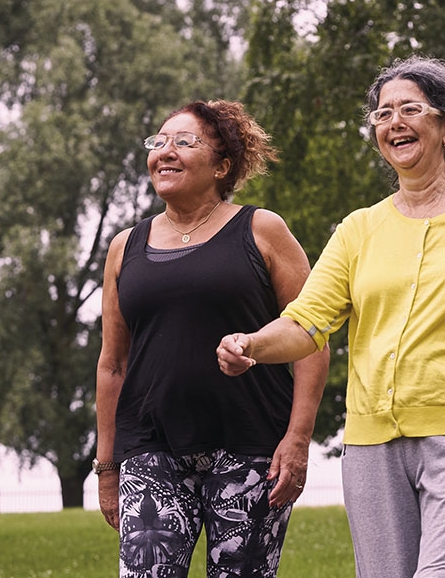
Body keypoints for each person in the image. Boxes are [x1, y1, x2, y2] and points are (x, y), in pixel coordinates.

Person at [215, 56, 445, 578]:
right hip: (372, 446)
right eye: (382, 113)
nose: (394, 121)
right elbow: (306, 323)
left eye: (410, 109)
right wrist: (252, 346)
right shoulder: (358, 229)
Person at [95, 100, 328, 577]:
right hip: (151, 446)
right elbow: (112, 364)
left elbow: (311, 335)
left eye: (184, 142)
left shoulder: (262, 230)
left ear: (222, 166)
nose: (165, 151)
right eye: (158, 141)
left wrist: (298, 439)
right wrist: (106, 465)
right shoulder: (125, 246)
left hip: (251, 445)